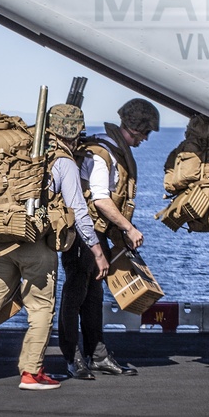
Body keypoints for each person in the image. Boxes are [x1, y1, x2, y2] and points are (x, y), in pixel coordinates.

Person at [0, 104, 94, 391]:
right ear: (74, 133)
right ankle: (32, 372)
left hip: (1, 238)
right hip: (35, 243)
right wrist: (95, 248)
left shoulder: (19, 150)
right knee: (41, 309)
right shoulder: (61, 161)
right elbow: (79, 210)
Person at [59, 98, 159, 378]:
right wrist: (129, 228)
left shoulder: (112, 149)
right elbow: (102, 200)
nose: (146, 139)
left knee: (92, 296)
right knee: (75, 295)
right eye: (145, 132)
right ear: (135, 128)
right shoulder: (102, 154)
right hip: (82, 234)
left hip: (96, 233)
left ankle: (97, 355)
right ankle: (72, 356)